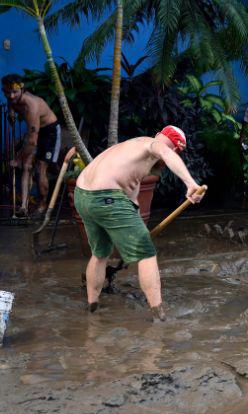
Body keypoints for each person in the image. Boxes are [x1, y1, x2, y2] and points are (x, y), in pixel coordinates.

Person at [73, 126, 205, 320]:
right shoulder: (154, 146)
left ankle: (92, 307)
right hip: (107, 197)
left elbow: (131, 199)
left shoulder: (132, 147)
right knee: (146, 253)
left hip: (82, 196)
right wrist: (191, 184)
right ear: (176, 149)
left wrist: (135, 236)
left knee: (100, 253)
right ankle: (159, 316)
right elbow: (165, 152)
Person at [3, 74, 61, 217]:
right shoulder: (12, 97)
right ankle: (24, 207)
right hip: (34, 133)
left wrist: (18, 158)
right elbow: (10, 102)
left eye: (15, 92)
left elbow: (32, 141)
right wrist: (11, 113)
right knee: (27, 166)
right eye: (8, 92)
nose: (11, 96)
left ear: (22, 89)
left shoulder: (32, 105)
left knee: (41, 169)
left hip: (49, 132)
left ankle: (43, 205)